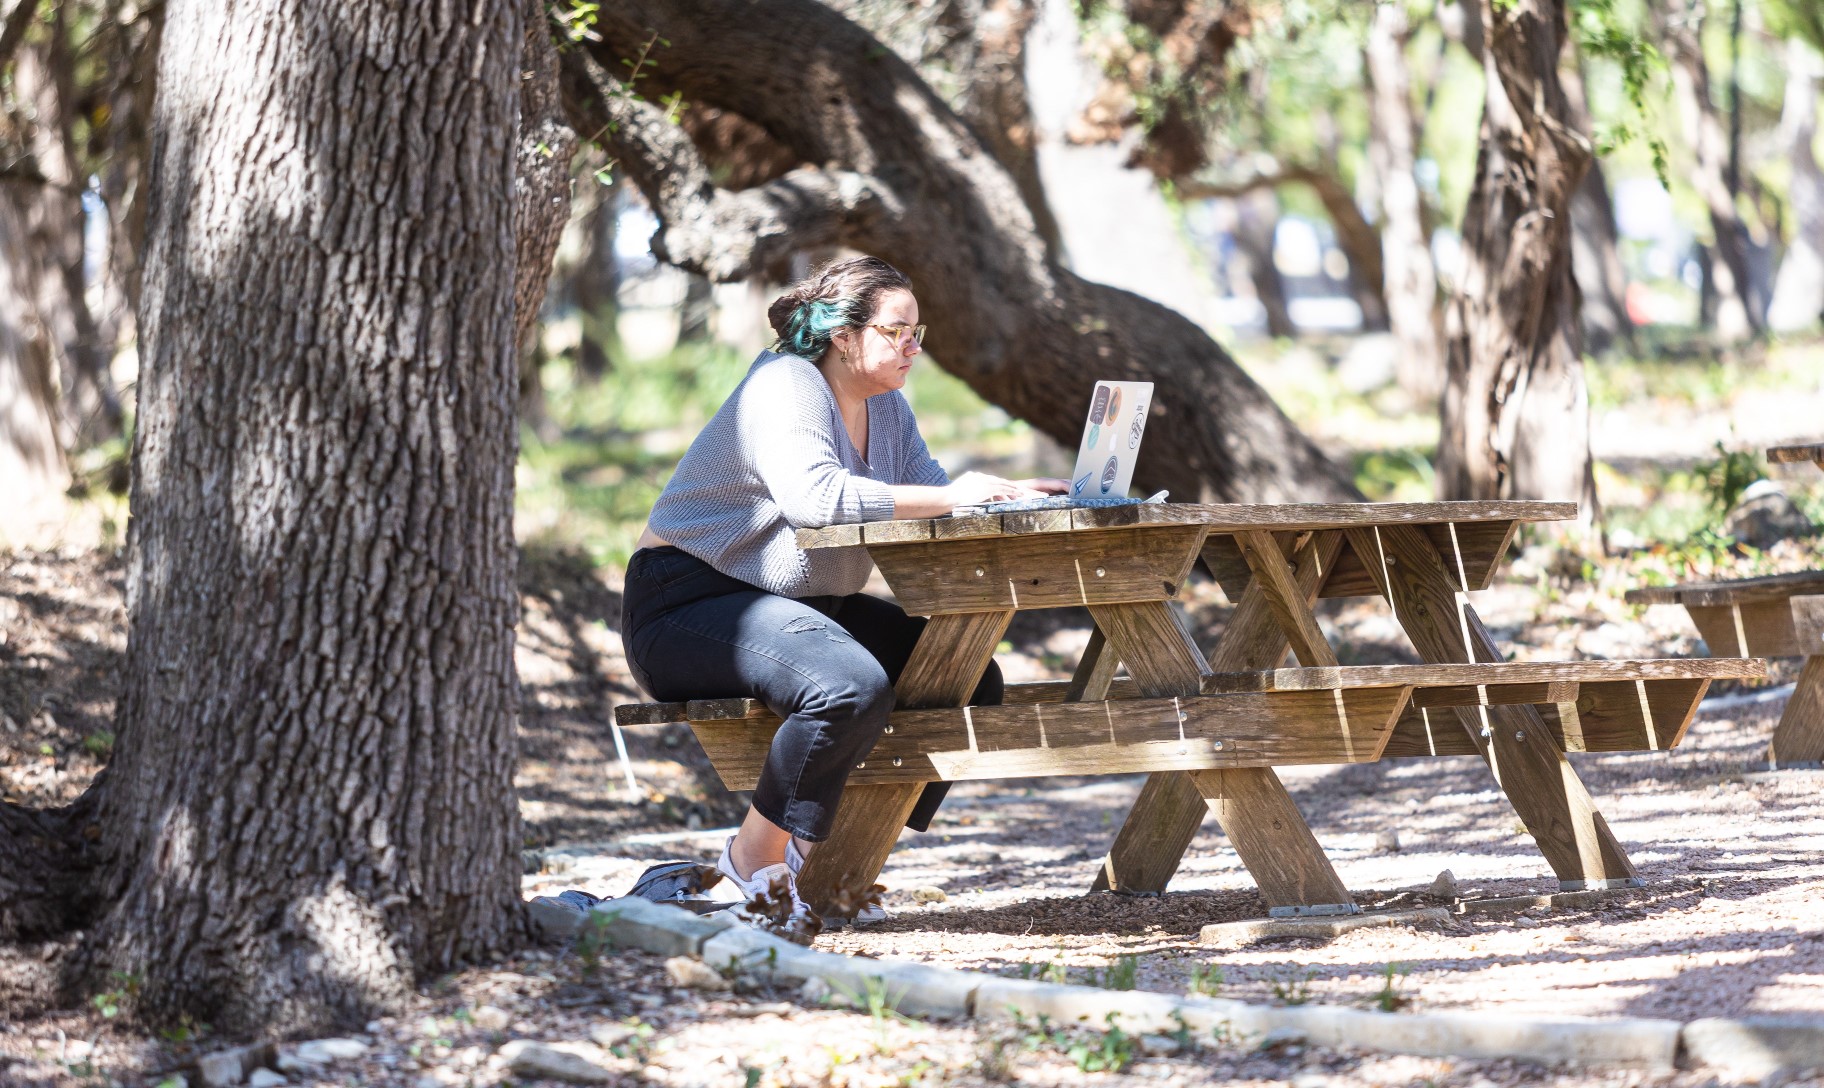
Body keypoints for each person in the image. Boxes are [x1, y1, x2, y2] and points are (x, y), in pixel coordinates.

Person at [622, 255, 1065, 930]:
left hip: (794, 605)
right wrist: (952, 495)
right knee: (845, 687)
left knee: (962, 674)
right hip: (687, 604)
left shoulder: (886, 407)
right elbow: (817, 499)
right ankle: (753, 866)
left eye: (918, 331)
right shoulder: (787, 384)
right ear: (844, 336)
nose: (914, 346)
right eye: (897, 330)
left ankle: (824, 866)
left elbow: (928, 500)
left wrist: (1002, 497)